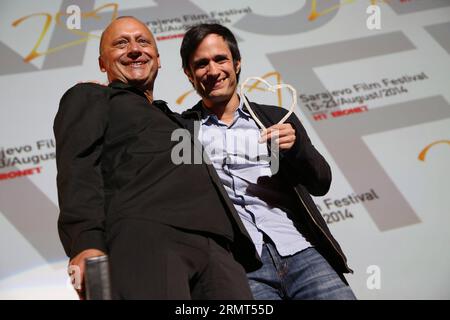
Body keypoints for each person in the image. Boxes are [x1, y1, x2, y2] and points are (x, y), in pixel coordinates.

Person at [54, 16, 260, 300]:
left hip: (218, 248)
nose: (134, 49)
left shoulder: (179, 120)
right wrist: (85, 242)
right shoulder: (91, 96)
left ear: (159, 59)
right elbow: (77, 169)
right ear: (103, 64)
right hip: (146, 236)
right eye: (121, 43)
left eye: (142, 41)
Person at [179, 23, 356, 299]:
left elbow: (321, 182)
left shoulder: (274, 117)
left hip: (300, 250)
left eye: (221, 59)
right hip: (240, 266)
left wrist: (296, 148)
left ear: (237, 64)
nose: (213, 71)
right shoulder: (182, 130)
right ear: (189, 74)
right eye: (201, 64)